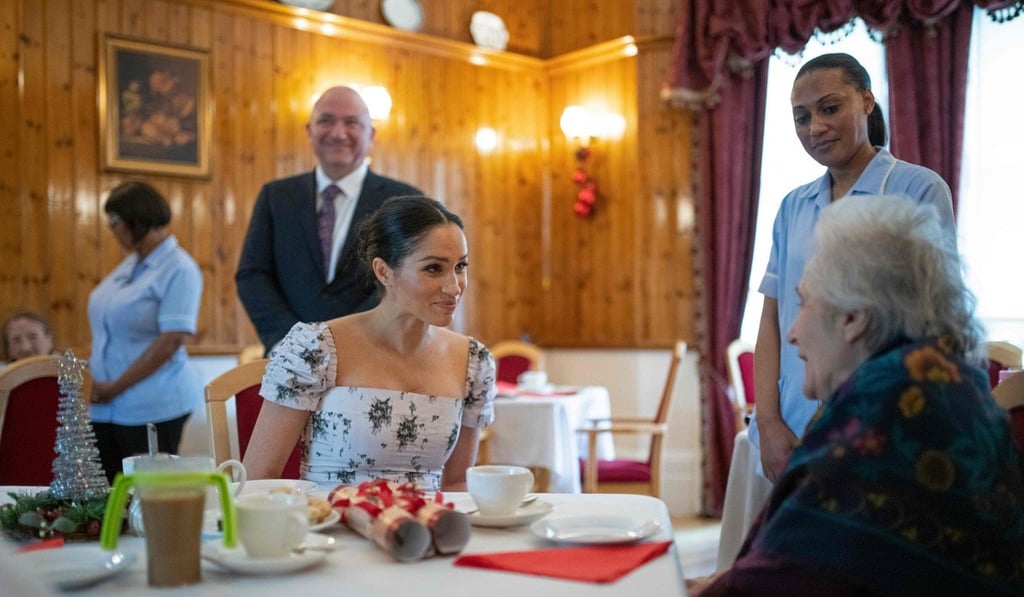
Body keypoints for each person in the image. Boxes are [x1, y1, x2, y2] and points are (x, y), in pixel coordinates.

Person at [692, 195, 1024, 596]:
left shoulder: (878, 428)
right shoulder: (944, 387)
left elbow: (775, 584)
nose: (792, 333)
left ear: (852, 318)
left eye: (804, 304)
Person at [752, 53, 956, 484]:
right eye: (802, 117)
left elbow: (934, 321)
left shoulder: (916, 189)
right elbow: (771, 319)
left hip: (881, 420)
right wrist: (767, 422)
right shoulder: (792, 206)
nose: (815, 127)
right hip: (790, 421)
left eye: (829, 108)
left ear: (866, 100)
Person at [243, 196, 495, 492]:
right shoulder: (317, 348)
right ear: (383, 271)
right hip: (330, 518)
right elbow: (259, 476)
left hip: (429, 520)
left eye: (460, 266)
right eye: (433, 268)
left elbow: (457, 483)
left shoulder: (474, 362)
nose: (454, 287)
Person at [236, 86, 423, 354]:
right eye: (326, 120)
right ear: (309, 131)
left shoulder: (405, 200)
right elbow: (253, 275)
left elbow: (409, 279)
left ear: (371, 135)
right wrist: (292, 342)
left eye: (352, 123)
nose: (338, 133)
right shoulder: (276, 197)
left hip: (376, 355)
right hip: (290, 356)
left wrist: (347, 341)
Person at [88, 180, 204, 482]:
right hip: (106, 406)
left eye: (114, 220)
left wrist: (115, 387)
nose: (111, 228)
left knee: (146, 494)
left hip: (152, 405)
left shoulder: (179, 268)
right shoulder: (131, 265)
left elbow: (170, 342)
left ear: (137, 217)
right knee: (108, 494)